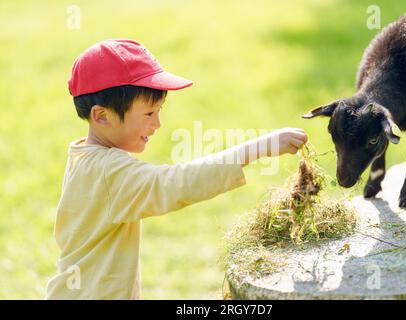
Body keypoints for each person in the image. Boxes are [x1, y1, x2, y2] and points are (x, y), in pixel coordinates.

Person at [46, 39, 308, 299]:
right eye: (149, 114)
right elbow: (175, 183)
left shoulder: (85, 156)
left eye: (159, 111)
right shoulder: (107, 171)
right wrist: (258, 148)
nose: (157, 123)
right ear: (102, 116)